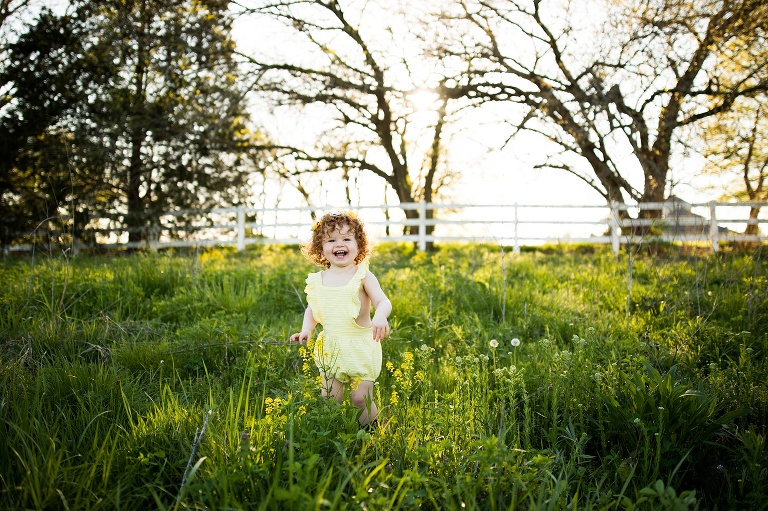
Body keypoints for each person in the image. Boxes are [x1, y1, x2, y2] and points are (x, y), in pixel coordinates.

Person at [290, 210, 392, 429]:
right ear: (321, 247)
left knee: (359, 398)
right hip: (331, 346)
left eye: (347, 239)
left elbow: (383, 301)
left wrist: (380, 316)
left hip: (360, 347)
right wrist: (307, 328)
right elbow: (313, 309)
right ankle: (332, 435)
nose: (340, 244)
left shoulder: (362, 275)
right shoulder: (318, 280)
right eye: (331, 240)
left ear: (358, 244)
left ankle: (374, 433)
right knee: (329, 398)